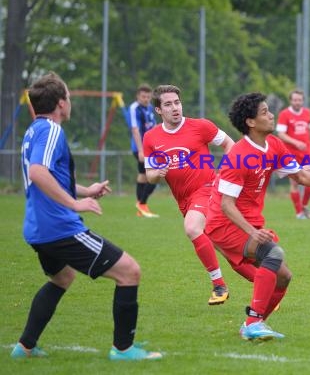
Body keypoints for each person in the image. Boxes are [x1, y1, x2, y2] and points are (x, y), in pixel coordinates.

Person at [12, 72, 162, 361]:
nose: (70, 102)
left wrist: (84, 190)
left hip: (37, 228)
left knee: (63, 277)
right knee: (130, 271)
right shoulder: (52, 130)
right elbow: (37, 173)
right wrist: (75, 203)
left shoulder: (34, 130)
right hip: (59, 228)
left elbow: (48, 175)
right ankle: (123, 350)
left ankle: (24, 347)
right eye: (68, 96)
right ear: (60, 103)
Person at [205, 92, 310, 341]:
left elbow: (298, 175)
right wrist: (252, 232)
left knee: (284, 277)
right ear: (251, 122)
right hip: (224, 223)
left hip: (247, 221)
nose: (271, 115)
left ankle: (254, 325)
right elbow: (226, 205)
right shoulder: (238, 155)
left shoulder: (274, 145)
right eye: (265, 112)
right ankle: (254, 321)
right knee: (273, 253)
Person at [143, 84, 233, 305]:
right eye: (168, 104)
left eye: (177, 102)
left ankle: (219, 285)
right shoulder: (151, 138)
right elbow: (149, 176)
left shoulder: (200, 126)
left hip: (207, 190)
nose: (175, 107)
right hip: (183, 200)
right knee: (226, 247)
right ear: (158, 110)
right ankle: (267, 283)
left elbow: (230, 144)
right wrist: (157, 173)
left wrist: (227, 171)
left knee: (192, 228)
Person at [276, 89, 310, 219]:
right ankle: (299, 212)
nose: (297, 102)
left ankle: (304, 205)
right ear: (291, 101)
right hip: (291, 154)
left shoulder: (307, 113)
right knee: (294, 183)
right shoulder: (284, 114)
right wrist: (296, 142)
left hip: (307, 153)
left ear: (303, 101)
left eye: (299, 100)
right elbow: (281, 134)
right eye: (295, 100)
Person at [129, 83, 159, 218]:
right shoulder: (134, 108)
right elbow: (135, 130)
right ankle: (142, 204)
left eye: (148, 97)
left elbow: (153, 127)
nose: (146, 99)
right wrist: (141, 151)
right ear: (138, 96)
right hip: (141, 148)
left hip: (151, 147)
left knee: (142, 175)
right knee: (157, 175)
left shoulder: (150, 108)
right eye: (143, 96)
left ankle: (140, 208)